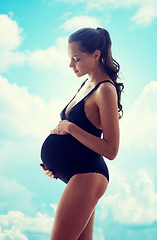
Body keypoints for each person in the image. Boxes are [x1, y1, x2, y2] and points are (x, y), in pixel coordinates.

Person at [40, 27, 124, 240]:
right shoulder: (86, 84)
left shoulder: (105, 90)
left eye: (76, 59)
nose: (71, 65)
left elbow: (111, 150)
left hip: (88, 174)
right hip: (76, 176)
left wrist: (70, 128)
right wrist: (55, 166)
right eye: (70, 59)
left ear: (96, 55)